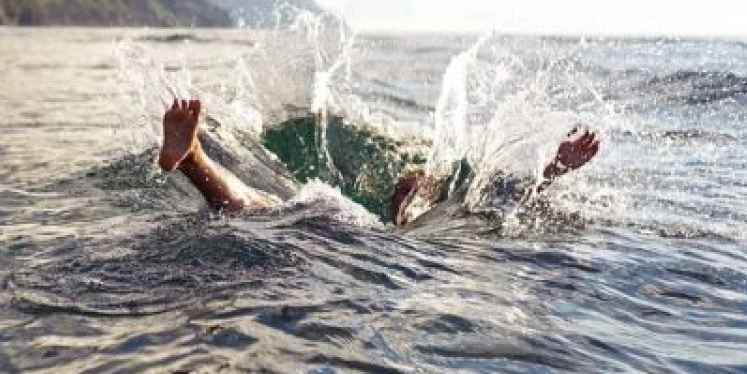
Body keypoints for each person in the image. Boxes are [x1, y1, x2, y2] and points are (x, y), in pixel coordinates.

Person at [158, 99, 600, 225]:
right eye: (406, 187)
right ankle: (192, 157)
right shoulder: (360, 215)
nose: (409, 186)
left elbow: (501, 198)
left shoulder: (444, 215)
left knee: (258, 208)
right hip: (348, 231)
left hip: (339, 231)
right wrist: (553, 171)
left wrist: (553, 170)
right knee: (258, 208)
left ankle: (193, 157)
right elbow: (503, 201)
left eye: (413, 188)